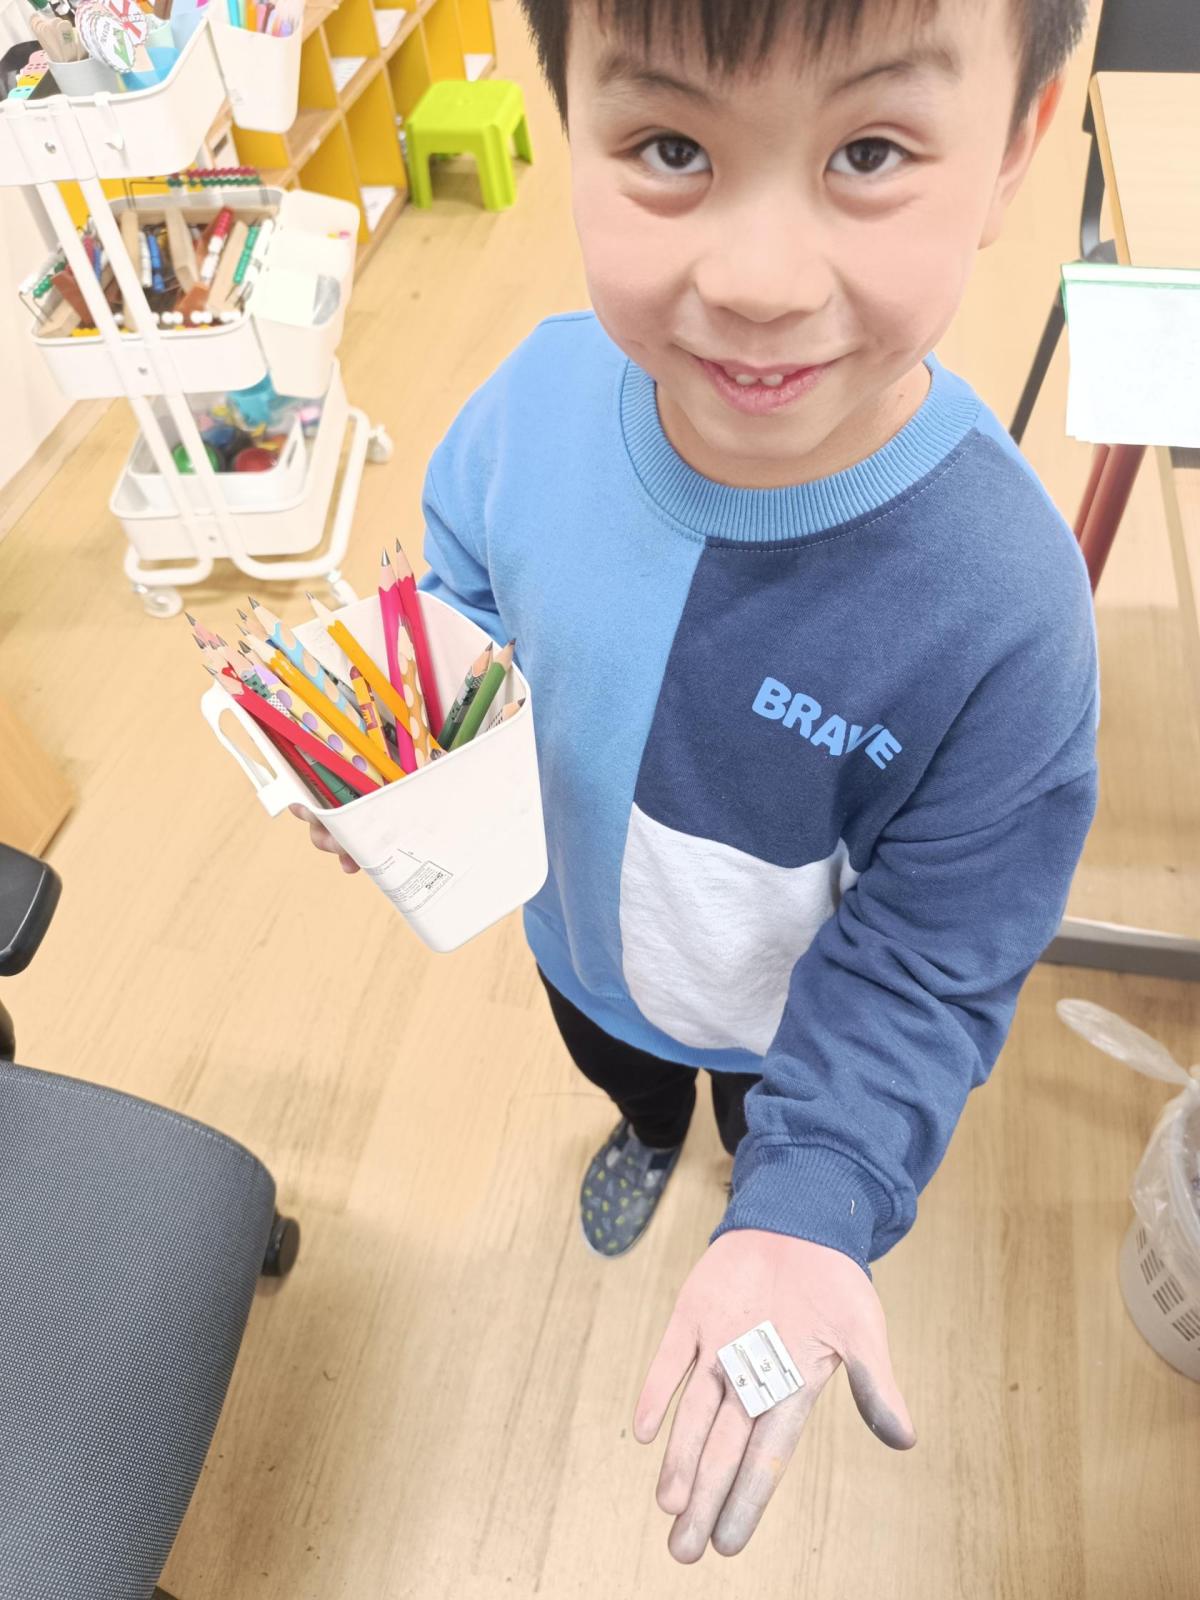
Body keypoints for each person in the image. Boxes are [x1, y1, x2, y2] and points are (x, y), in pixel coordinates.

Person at [295, 0, 1097, 1564]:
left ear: (1013, 148)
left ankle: (741, 1150)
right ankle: (647, 1126)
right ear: (569, 113)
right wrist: (422, 737)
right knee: (625, 1064)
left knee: (762, 1117)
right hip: (578, 942)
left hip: (792, 1011)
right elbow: (463, 567)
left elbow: (932, 961)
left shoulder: (1006, 606)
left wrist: (814, 1194)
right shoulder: (534, 397)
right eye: (671, 146)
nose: (757, 280)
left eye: (870, 151)